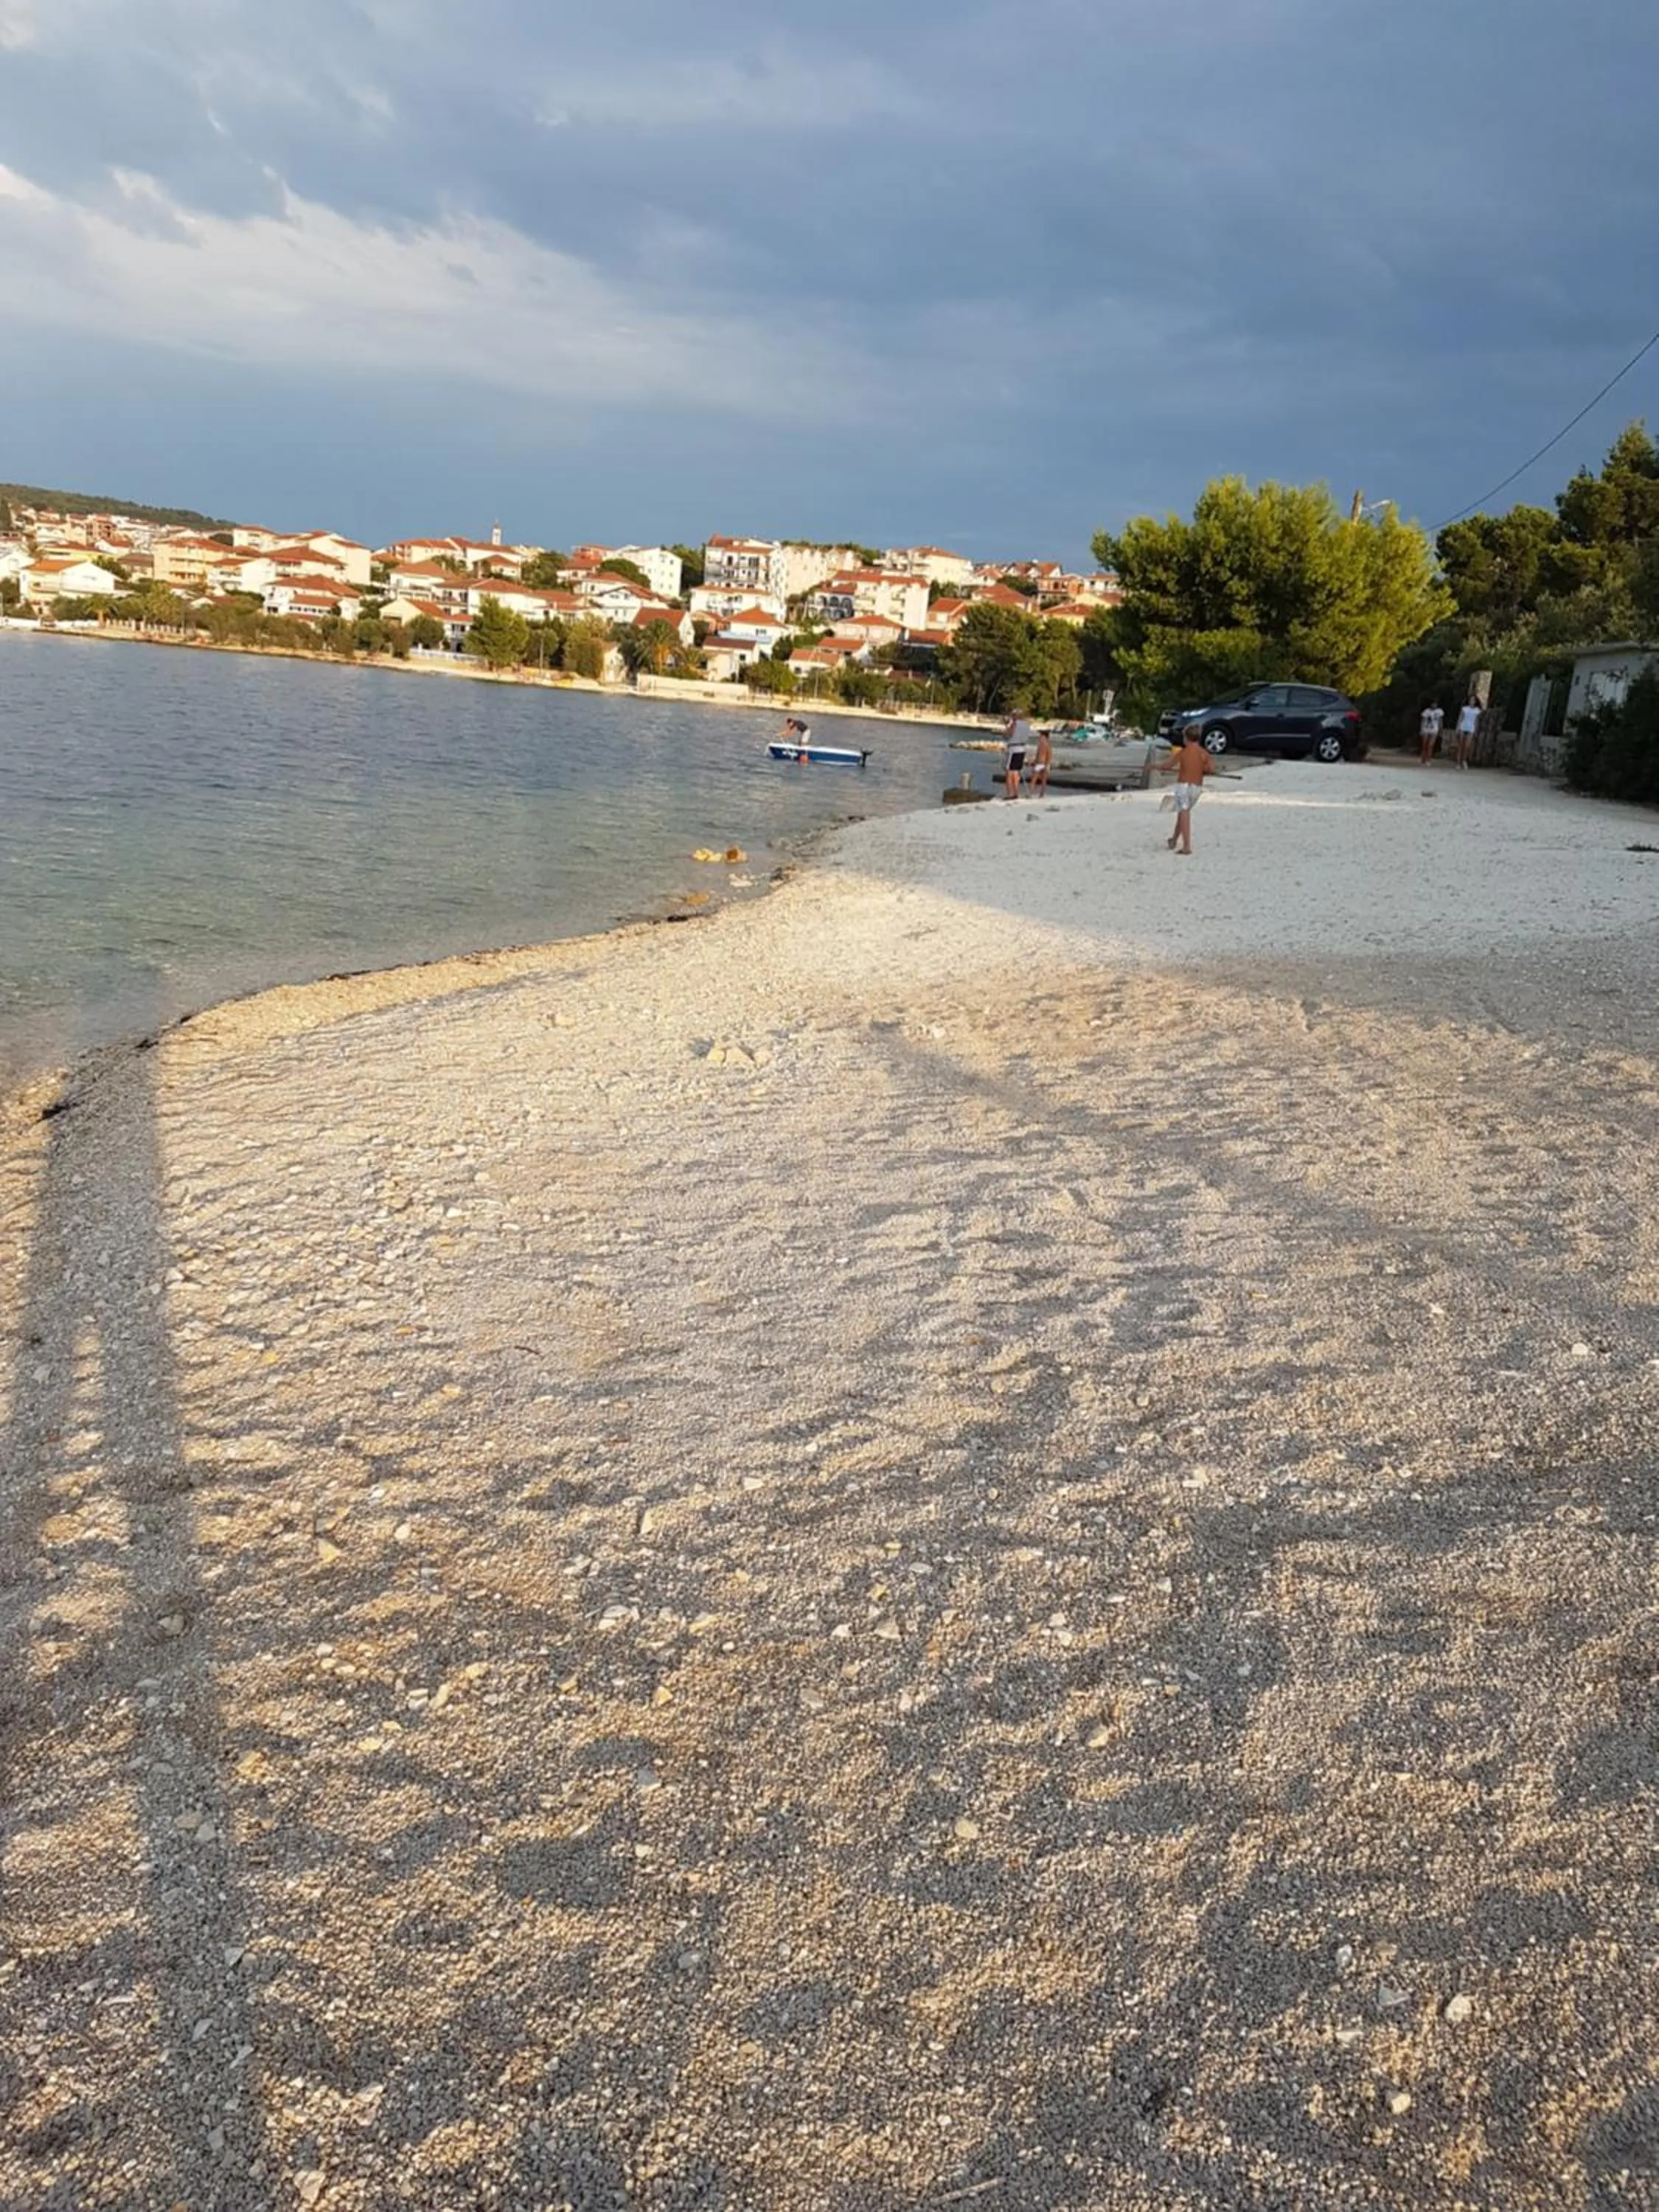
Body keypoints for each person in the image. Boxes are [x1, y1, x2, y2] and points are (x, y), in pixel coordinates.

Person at [1159, 731, 1214, 854]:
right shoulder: (1204, 753)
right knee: (1183, 812)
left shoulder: (1183, 752)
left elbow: (1168, 765)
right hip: (1196, 788)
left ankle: (1187, 846)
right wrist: (1202, 769)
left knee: (1184, 812)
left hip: (1183, 785)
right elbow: (1210, 769)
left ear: (1187, 739)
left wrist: (1155, 766)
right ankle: (1174, 840)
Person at [1001, 714, 1031, 799]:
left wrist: (1006, 728)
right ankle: (1015, 792)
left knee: (1009, 772)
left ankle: (1010, 794)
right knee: (1016, 771)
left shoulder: (1015, 724)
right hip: (1022, 749)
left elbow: (1008, 735)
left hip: (1013, 749)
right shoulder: (1026, 724)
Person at [1029, 723, 1053, 797]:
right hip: (1042, 763)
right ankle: (1041, 793)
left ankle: (1031, 793)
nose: (1040, 737)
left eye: (1041, 735)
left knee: (1035, 779)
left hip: (1041, 763)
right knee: (1043, 780)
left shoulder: (1044, 744)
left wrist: (1047, 763)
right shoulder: (1046, 743)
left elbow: (1048, 754)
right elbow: (1042, 754)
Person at [1455, 698, 1480, 769]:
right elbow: (1460, 719)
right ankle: (1458, 762)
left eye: (1473, 701)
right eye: (1471, 700)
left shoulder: (1477, 711)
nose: (1472, 702)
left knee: (1467, 747)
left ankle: (1464, 760)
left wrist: (1476, 730)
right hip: (1463, 727)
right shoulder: (1464, 709)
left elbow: (1477, 721)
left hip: (1471, 728)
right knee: (1460, 746)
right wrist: (1458, 729)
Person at [1419, 700, 1445, 765]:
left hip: (1434, 729)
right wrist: (1421, 730)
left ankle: (1428, 759)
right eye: (1433, 704)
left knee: (1431, 745)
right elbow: (1423, 721)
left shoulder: (1439, 712)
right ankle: (1423, 757)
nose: (1434, 705)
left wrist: (1441, 730)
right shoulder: (1426, 712)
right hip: (1426, 729)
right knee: (1425, 745)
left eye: (1435, 704)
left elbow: (1440, 721)